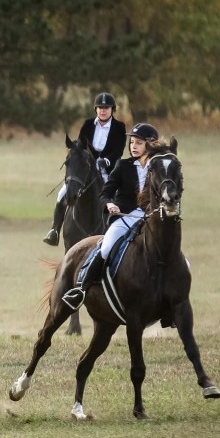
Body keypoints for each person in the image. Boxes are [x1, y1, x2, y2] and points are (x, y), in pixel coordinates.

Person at [61, 123, 160, 309]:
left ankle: (173, 297)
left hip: (151, 218)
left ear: (151, 144)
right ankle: (80, 289)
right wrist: (109, 203)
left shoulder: (160, 167)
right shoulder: (122, 166)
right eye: (132, 142)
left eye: (138, 142)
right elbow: (105, 192)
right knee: (105, 248)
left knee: (173, 254)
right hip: (124, 218)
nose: (133, 146)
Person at [43, 92, 127, 246]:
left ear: (112, 109)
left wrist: (106, 161)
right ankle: (54, 230)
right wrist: (79, 154)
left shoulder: (119, 127)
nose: (103, 110)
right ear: (96, 109)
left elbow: (118, 150)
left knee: (117, 198)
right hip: (86, 168)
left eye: (106, 107)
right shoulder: (88, 124)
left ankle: (122, 233)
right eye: (100, 107)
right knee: (62, 194)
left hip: (108, 172)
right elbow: (81, 144)